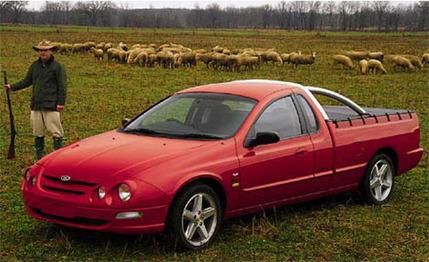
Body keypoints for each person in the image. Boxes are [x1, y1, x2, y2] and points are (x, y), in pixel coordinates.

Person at [3, 40, 67, 159]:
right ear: (38, 52)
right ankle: (39, 157)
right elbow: (27, 81)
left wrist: (60, 103)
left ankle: (59, 158)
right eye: (41, 50)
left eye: (45, 50)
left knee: (56, 132)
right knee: (38, 132)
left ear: (50, 51)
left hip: (51, 105)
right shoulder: (35, 66)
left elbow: (62, 86)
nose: (43, 53)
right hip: (36, 105)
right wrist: (12, 87)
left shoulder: (58, 67)